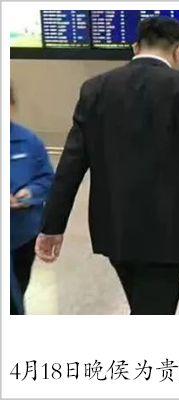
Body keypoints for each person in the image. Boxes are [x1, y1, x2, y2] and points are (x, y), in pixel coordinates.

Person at [36, 17, 179, 315]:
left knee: (144, 306)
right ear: (178, 51)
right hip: (170, 231)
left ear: (135, 47)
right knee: (154, 312)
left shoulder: (96, 89)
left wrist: (53, 226)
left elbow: (71, 164)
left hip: (115, 228)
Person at [10, 84, 55, 311]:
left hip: (22, 235)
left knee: (18, 288)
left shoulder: (28, 141)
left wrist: (31, 192)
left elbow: (47, 178)